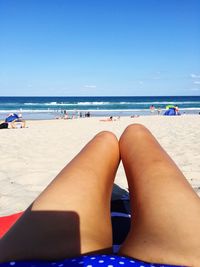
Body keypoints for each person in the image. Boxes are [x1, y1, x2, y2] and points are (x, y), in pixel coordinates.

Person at [0, 124, 200, 266]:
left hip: (39, 260)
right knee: (134, 132)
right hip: (182, 260)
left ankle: (110, 192)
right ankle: (115, 194)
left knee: (107, 139)